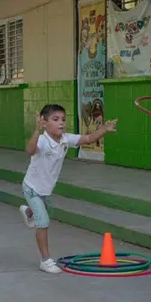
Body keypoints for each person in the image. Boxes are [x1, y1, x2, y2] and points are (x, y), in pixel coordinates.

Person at [19, 104, 117, 274]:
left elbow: (88, 139)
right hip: (32, 188)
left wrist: (104, 129)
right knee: (43, 222)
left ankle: (28, 212)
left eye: (63, 119)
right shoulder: (42, 140)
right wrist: (35, 131)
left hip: (46, 190)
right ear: (44, 123)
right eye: (55, 120)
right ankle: (45, 260)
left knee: (46, 213)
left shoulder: (65, 139)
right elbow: (29, 150)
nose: (61, 123)